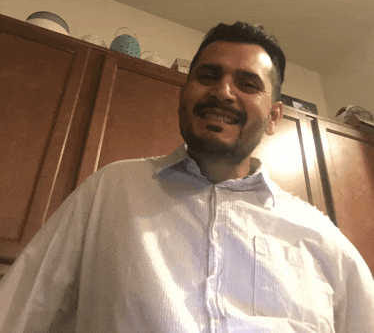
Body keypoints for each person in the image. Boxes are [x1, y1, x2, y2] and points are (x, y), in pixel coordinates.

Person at [0, 22, 373, 333]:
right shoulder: (111, 190)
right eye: (208, 76)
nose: (223, 92)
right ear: (184, 93)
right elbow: (17, 311)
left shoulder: (319, 235)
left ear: (274, 116)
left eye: (247, 84)